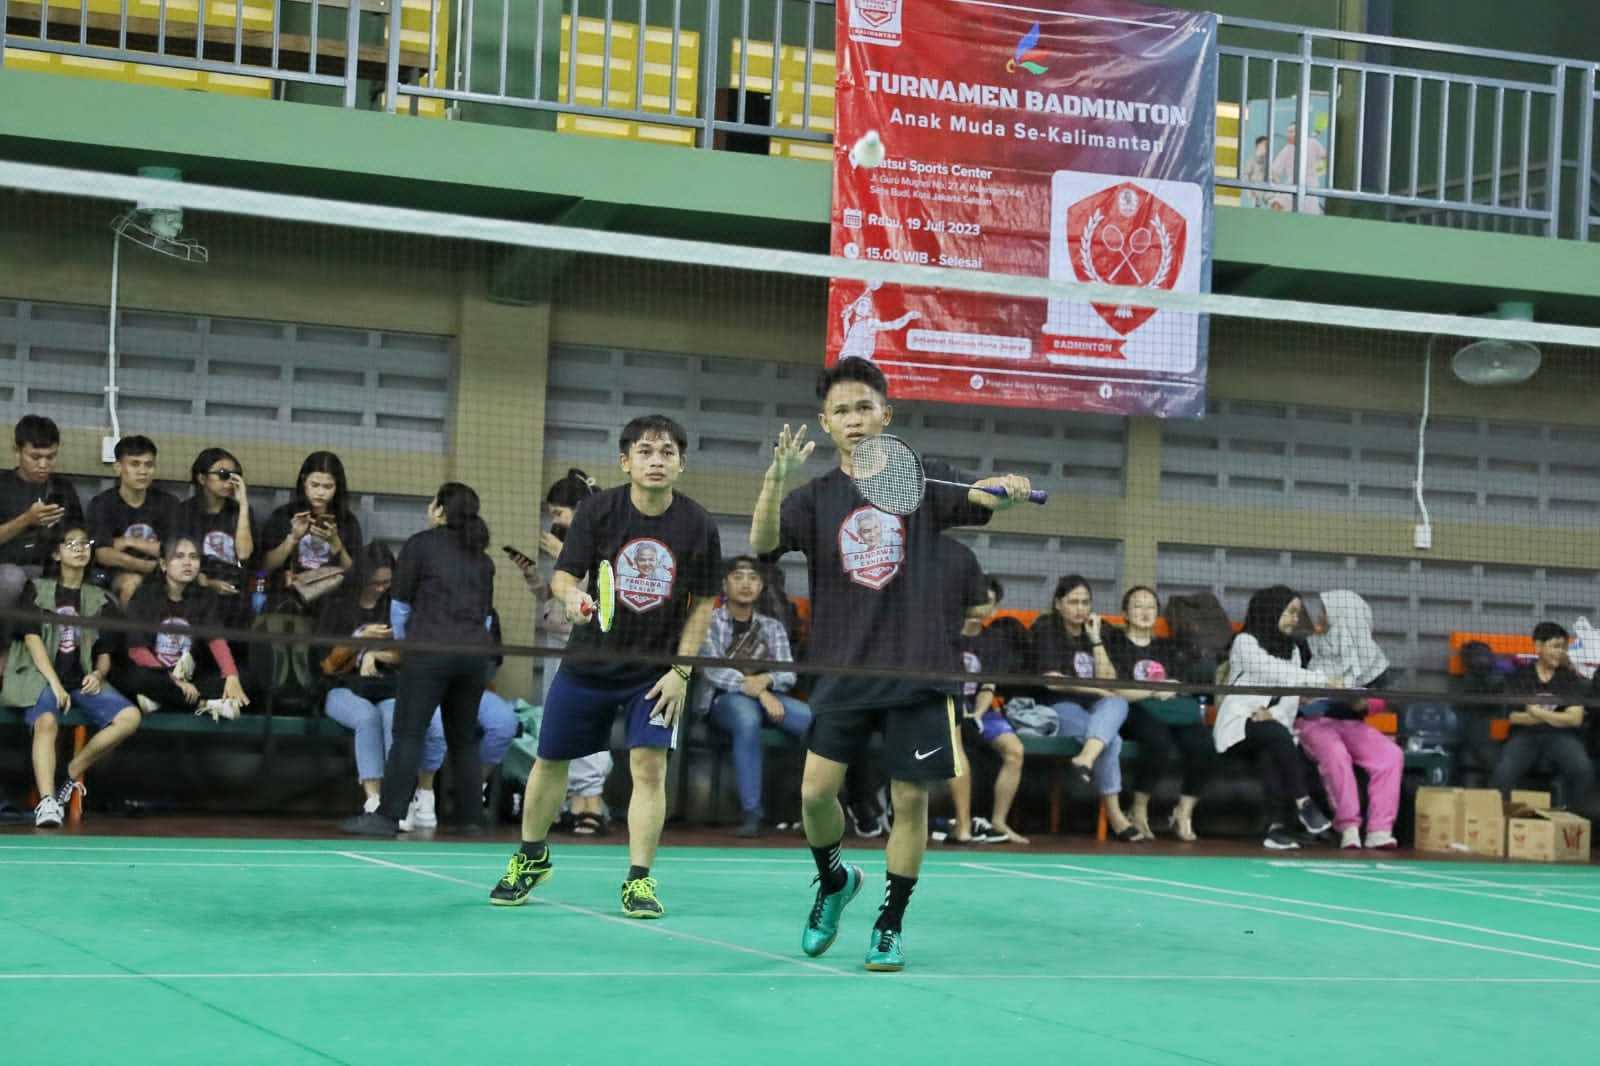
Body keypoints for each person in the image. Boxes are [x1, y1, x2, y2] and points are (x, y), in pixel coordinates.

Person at [750, 357, 1032, 972]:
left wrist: (1004, 486)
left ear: (887, 415)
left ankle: (889, 922)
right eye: (842, 410)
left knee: (911, 799)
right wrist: (775, 477)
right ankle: (833, 880)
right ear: (826, 422)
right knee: (815, 794)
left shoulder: (923, 478)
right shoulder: (812, 497)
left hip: (919, 668)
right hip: (844, 669)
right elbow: (762, 543)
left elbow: (981, 496)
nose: (854, 418)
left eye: (864, 407)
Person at [490, 415, 720, 917]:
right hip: (589, 662)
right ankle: (531, 857)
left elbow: (703, 603)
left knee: (649, 767)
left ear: (681, 462)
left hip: (654, 671)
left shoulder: (698, 524)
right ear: (625, 461)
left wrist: (681, 672)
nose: (655, 461)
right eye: (645, 451)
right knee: (551, 760)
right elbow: (564, 577)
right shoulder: (598, 511)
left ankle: (639, 880)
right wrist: (573, 599)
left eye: (665, 452)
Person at [340, 483, 498, 837]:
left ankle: (387, 816)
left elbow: (399, 603)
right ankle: (471, 819)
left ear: (440, 510)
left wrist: (405, 643)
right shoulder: (483, 559)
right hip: (473, 656)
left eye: (433, 503)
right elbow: (487, 617)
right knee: (464, 738)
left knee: (409, 733)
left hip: (429, 652)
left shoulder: (420, 545)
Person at [1, 524, 139, 828]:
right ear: (56, 552)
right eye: (71, 543)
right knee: (47, 722)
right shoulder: (37, 588)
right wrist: (54, 683)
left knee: (130, 717)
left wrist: (98, 674)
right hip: (39, 675)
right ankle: (48, 803)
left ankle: (73, 770)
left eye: (85, 544)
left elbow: (105, 650)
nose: (80, 549)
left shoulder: (99, 598)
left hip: (81, 680)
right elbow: (32, 639)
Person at [505, 467, 613, 835]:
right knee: (561, 722)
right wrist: (535, 576)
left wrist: (566, 553)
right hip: (556, 640)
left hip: (585, 644)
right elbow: (555, 595)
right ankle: (575, 802)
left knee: (591, 719)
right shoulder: (567, 540)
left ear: (580, 508)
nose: (553, 520)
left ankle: (592, 802)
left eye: (558, 512)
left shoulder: (599, 539)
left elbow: (598, 590)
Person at [698, 555, 812, 838]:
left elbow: (787, 673)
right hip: (723, 701)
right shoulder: (709, 622)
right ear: (724, 585)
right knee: (746, 719)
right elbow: (714, 672)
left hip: (769, 700)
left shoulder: (772, 627)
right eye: (738, 577)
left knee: (814, 722)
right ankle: (752, 812)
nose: (746, 584)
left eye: (753, 578)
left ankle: (811, 809)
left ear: (761, 586)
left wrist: (767, 681)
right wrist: (761, 691)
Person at [1213, 586, 1335, 850]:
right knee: (1277, 736)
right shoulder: (1244, 642)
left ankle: (1276, 828)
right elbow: (1275, 672)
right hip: (1237, 728)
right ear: (1272, 610)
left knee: (1273, 747)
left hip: (1270, 730)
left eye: (1297, 613)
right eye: (1290, 612)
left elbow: (1290, 701)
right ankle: (1304, 802)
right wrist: (1323, 680)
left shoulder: (1292, 650)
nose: (1295, 619)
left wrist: (1273, 714)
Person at [1027, 575, 1142, 841]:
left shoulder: (1102, 631)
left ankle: (1085, 759)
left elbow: (1110, 682)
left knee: (1118, 701)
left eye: (1086, 602)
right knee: (1111, 741)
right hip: (1060, 706)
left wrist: (1096, 641)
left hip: (1099, 709)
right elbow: (1053, 683)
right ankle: (1116, 816)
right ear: (1058, 603)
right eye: (1073, 602)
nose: (1080, 608)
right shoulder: (1046, 630)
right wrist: (1095, 689)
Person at [1105, 586, 1212, 842]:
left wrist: (1164, 691)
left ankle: (1183, 812)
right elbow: (1115, 689)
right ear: (1125, 613)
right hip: (1132, 710)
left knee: (1203, 744)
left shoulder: (1168, 647)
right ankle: (1138, 808)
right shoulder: (1115, 644)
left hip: (1169, 710)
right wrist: (1152, 692)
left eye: (1150, 607)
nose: (1145, 612)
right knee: (1157, 741)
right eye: (1137, 606)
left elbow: (1177, 685)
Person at [1299, 590, 1404, 849]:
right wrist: (1305, 697)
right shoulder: (1306, 647)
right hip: (1314, 722)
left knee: (1391, 755)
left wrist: (1364, 703)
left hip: (1352, 723)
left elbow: (1381, 698)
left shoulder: (1370, 657)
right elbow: (1290, 686)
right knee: (1336, 754)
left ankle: (1380, 830)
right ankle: (1348, 827)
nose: (1319, 617)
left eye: (1325, 612)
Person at [111, 534, 250, 720]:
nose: (188, 563)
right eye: (179, 556)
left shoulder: (205, 597)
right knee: (132, 678)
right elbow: (137, 650)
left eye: (193, 557)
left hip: (189, 677)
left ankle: (160, 701)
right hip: (155, 674)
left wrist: (232, 676)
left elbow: (216, 640)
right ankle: (204, 704)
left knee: (247, 679)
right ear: (163, 564)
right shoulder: (145, 595)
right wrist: (172, 681)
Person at [949, 565, 1029, 846]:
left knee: (1015, 750)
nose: (982, 605)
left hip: (978, 710)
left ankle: (998, 821)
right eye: (977, 598)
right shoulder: (945, 634)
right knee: (958, 749)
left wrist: (976, 715)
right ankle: (963, 824)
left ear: (994, 608)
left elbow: (987, 688)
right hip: (946, 707)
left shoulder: (993, 642)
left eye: (989, 602)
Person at [0, 415, 84, 668]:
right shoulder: (2, 485)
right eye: (35, 457)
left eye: (51, 457)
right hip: (7, 569)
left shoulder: (64, 489)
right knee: (12, 579)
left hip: (50, 570)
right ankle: (3, 653)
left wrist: (68, 540)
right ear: (17, 451)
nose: (44, 464)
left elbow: (79, 535)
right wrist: (26, 519)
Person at [1491, 622, 1593, 809]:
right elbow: (1514, 717)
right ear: (1538, 646)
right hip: (1525, 735)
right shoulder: (1520, 676)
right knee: (1504, 772)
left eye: (1563, 648)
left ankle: (1577, 823)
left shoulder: (1569, 678)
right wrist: (1557, 716)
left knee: (1582, 769)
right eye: (1555, 646)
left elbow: (1575, 719)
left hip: (1561, 737)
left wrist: (1537, 712)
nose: (1560, 652)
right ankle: (1500, 820)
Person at [259, 451, 361, 606]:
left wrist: (336, 542)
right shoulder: (284, 515)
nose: (320, 493)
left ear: (337, 487)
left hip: (331, 604)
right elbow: (265, 565)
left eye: (328, 487)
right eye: (315, 485)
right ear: (303, 481)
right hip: (287, 600)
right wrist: (292, 538)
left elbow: (355, 573)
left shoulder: (347, 521)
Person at [88, 435, 180, 604]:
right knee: (132, 583)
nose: (143, 471)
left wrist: (128, 542)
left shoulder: (168, 503)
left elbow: (173, 549)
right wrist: (146, 566)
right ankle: (129, 631)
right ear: (118, 467)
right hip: (112, 574)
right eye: (135, 464)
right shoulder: (102, 503)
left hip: (164, 574)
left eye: (149, 465)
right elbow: (102, 554)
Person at [177, 447, 256, 607]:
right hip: (196, 585)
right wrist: (209, 583)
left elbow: (244, 554)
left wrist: (243, 506)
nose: (229, 481)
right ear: (201, 478)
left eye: (234, 476)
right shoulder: (185, 511)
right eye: (223, 474)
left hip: (234, 585)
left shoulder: (239, 511)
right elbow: (177, 559)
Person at [1268, 122, 1328, 214]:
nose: (1289, 134)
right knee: (1276, 204)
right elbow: (1274, 171)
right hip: (1291, 188)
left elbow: (1326, 156)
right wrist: (1275, 184)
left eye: (1292, 131)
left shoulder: (1313, 143)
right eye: (1288, 132)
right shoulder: (1287, 149)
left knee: (1311, 216)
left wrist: (1320, 167)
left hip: (1310, 189)